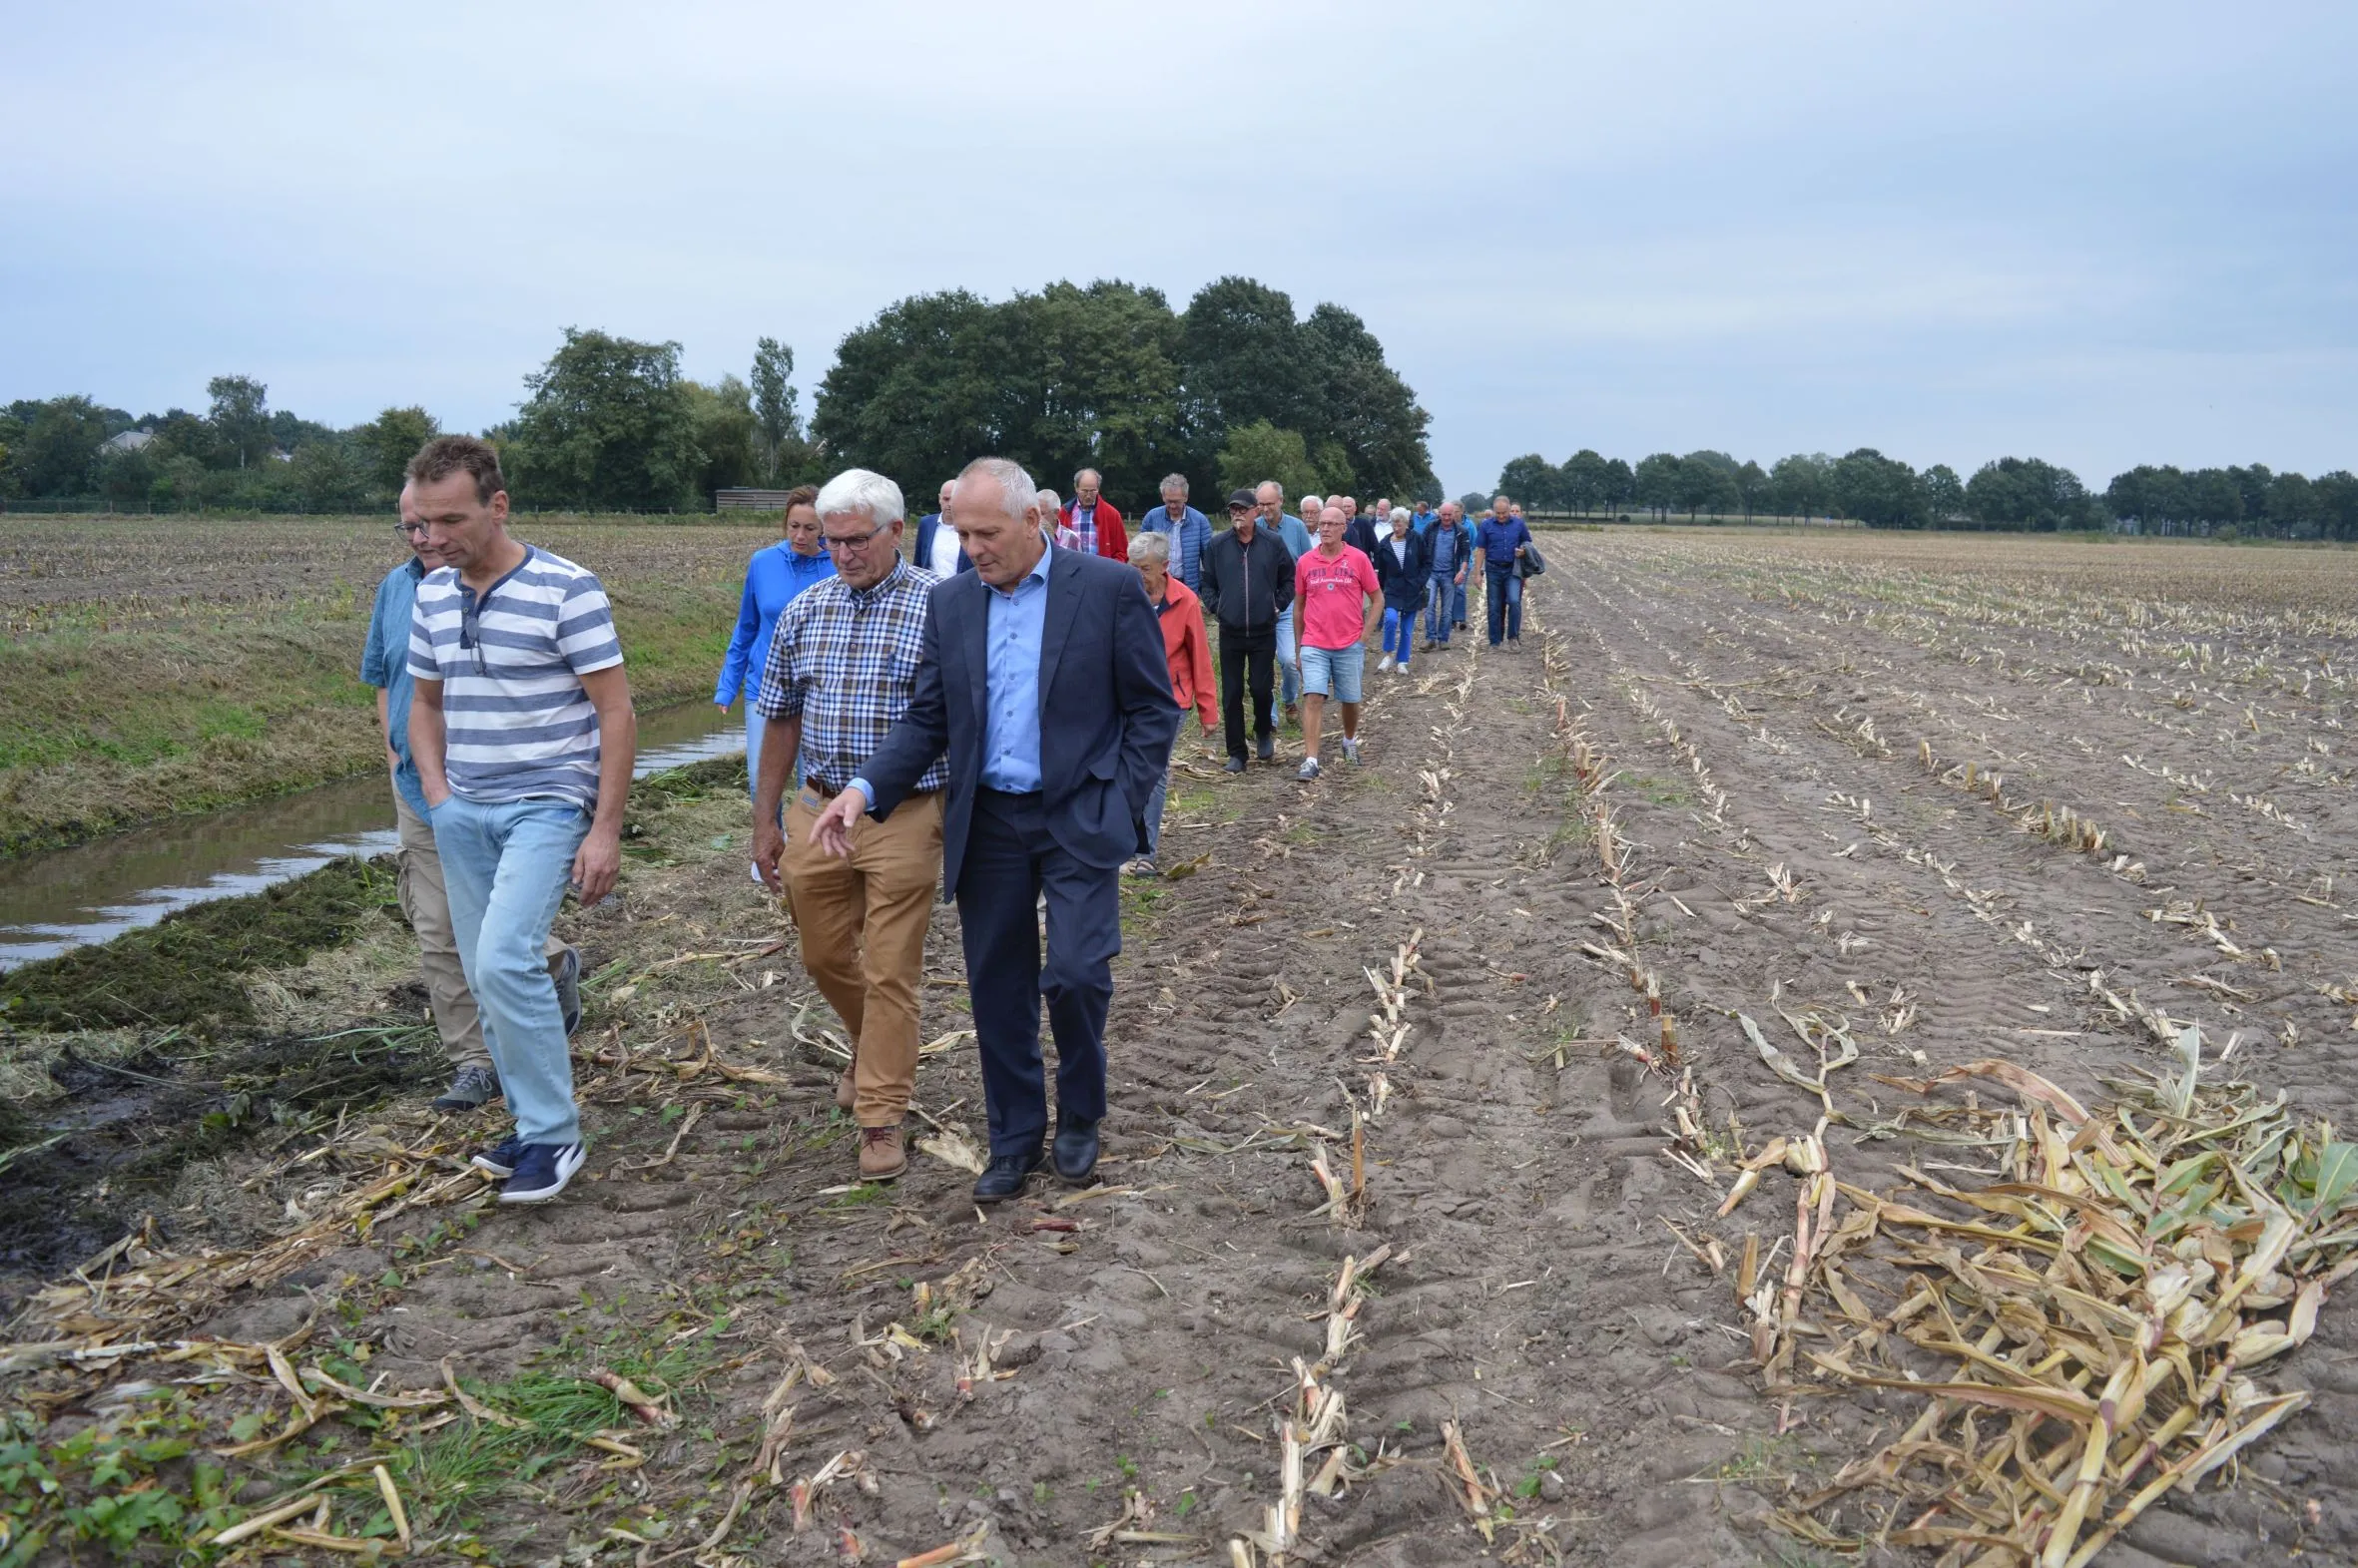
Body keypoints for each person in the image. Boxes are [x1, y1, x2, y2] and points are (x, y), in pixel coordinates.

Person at [812, 457, 1179, 1204]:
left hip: (1078, 813)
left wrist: (1121, 799)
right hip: (989, 820)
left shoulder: (1105, 589)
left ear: (1033, 520)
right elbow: (929, 718)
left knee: (1076, 975)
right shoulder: (952, 602)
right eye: (962, 533)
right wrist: (862, 788)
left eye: (987, 533)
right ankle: (1014, 1138)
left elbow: (1152, 710)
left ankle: (1081, 1114)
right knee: (997, 985)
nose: (972, 548)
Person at [406, 435, 636, 1205]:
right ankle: (529, 1121)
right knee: (483, 973)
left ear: (497, 505)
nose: (434, 537)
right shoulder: (431, 594)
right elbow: (425, 703)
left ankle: (553, 1135)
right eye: (424, 522)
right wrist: (439, 795)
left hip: (547, 801)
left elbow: (616, 711)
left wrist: (604, 829)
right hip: (463, 808)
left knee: (505, 958)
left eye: (451, 519)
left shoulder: (568, 589)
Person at [749, 470, 942, 1181]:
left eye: (857, 539)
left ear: (896, 531)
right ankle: (873, 1046)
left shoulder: (941, 607)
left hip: (905, 810)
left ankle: (881, 1115)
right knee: (823, 954)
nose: (842, 553)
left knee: (890, 968)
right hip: (817, 805)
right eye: (832, 541)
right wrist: (765, 820)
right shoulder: (806, 610)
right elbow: (781, 718)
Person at [363, 482, 577, 1116]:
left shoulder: (538, 588)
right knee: (437, 927)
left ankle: (554, 968)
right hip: (424, 789)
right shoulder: (397, 590)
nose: (423, 537)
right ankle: (476, 1062)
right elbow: (385, 679)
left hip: (506, 786)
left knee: (498, 933)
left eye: (435, 522)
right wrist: (398, 755)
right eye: (411, 526)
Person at [715, 485, 835, 877]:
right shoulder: (763, 563)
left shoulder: (837, 567)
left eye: (810, 528)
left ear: (824, 529)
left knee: (809, 779)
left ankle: (805, 853)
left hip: (817, 690)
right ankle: (770, 848)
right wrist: (727, 685)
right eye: (793, 526)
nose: (800, 535)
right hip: (764, 687)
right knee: (759, 777)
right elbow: (746, 627)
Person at [1127, 530, 1216, 874]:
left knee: (1155, 772)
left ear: (1164, 566)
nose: (1138, 575)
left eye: (1145, 569)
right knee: (1126, 770)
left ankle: (1145, 853)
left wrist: (1208, 710)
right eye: (1133, 567)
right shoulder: (1123, 596)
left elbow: (1200, 657)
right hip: (1129, 697)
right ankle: (1123, 842)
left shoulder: (1185, 601)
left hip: (1170, 701)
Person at [1202, 487, 1296, 772]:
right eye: (1233, 510)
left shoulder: (1273, 543)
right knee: (1231, 693)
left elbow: (1289, 579)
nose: (1237, 514)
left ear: (1256, 511)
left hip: (1263, 629)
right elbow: (1207, 583)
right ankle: (1237, 752)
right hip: (1230, 631)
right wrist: (1218, 608)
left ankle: (1263, 731)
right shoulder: (1217, 545)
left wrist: (1276, 605)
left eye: (1243, 509)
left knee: (1260, 687)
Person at [1292, 505, 1382, 780]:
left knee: (1350, 700)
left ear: (1344, 528)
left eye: (1332, 524)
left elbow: (1377, 599)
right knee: (1313, 697)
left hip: (1349, 643)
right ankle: (1311, 760)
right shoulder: (1305, 561)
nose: (1326, 528)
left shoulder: (1358, 559)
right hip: (1314, 642)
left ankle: (1349, 740)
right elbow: (1299, 607)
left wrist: (1363, 637)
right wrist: (1299, 647)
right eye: (1323, 523)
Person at [1371, 503, 1430, 676]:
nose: (1396, 528)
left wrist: (1420, 581)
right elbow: (1381, 570)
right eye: (1394, 524)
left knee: (1406, 628)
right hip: (1392, 589)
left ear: (1406, 523)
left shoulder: (1416, 539)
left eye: (1399, 524)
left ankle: (1402, 661)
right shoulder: (1384, 544)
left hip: (1412, 589)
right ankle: (1388, 654)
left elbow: (1427, 562)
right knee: (1390, 620)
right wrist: (1380, 589)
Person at [1279, 491, 1321, 721]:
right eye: (1306, 512)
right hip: (1262, 602)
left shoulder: (1296, 529)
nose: (1309, 516)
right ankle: (1268, 719)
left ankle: (1290, 697)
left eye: (1313, 512)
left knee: (1290, 659)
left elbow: (1309, 565)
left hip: (1292, 601)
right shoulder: (1256, 526)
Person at [1475, 494, 1534, 648]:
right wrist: (1477, 574)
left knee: (1514, 601)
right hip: (1493, 570)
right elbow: (1481, 550)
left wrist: (1523, 551)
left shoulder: (1519, 524)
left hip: (1513, 570)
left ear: (1509, 509)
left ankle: (1513, 637)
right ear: (1494, 510)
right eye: (1498, 513)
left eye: (1504, 513)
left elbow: (1527, 542)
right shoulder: (1486, 525)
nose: (1501, 516)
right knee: (1494, 606)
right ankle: (1495, 641)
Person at [1136, 474, 1212, 592]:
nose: (1172, 506)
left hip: (1188, 585)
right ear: (1163, 497)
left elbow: (1208, 558)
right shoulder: (1152, 517)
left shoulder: (1200, 520)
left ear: (1185, 497)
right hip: (1157, 583)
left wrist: (1209, 589)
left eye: (1176, 502)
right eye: (1168, 501)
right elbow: (1140, 552)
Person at [1423, 500, 1474, 651]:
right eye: (1443, 514)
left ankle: (1443, 639)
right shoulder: (1431, 528)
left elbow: (1466, 553)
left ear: (1454, 514)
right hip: (1431, 573)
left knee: (1447, 610)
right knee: (1429, 606)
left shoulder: (1461, 531)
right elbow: (1422, 547)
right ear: (1439, 514)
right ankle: (1430, 638)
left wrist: (1462, 571)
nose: (1446, 518)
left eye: (1449, 515)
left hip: (1450, 575)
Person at [1062, 468, 1130, 562]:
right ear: (1076, 488)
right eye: (1084, 491)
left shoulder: (1112, 515)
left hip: (1102, 569)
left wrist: (1111, 569)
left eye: (1093, 491)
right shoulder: (1064, 513)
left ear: (1098, 489)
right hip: (1071, 568)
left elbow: (1122, 552)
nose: (1088, 495)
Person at [914, 479, 973, 577]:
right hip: (930, 584)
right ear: (939, 499)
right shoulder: (926, 524)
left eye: (954, 500)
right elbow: (918, 561)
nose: (950, 504)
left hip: (960, 585)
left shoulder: (970, 527)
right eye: (946, 499)